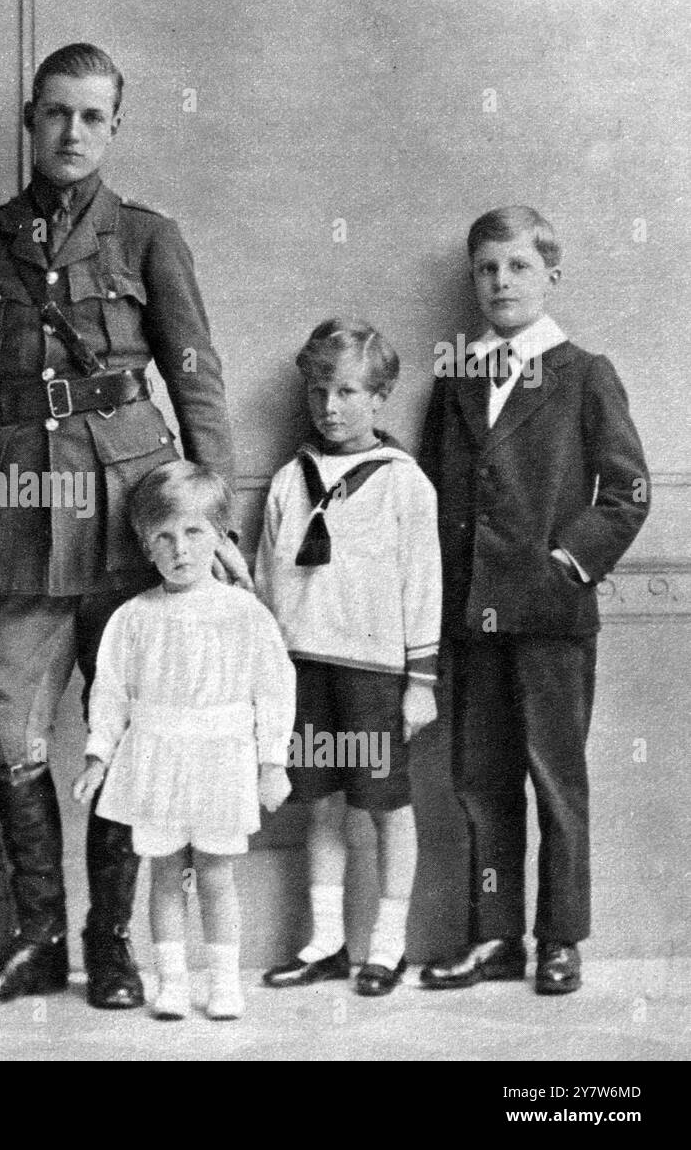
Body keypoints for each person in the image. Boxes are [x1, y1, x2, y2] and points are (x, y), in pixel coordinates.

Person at [0, 43, 247, 1010]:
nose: (72, 133)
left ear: (115, 128)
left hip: (132, 509)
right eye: (56, 114)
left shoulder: (150, 237)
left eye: (93, 117)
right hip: (18, 512)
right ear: (29, 120)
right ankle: (36, 938)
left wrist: (212, 512)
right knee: (9, 726)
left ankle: (110, 944)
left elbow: (195, 373)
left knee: (140, 721)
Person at [417, 207, 649, 995]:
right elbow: (432, 497)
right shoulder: (454, 379)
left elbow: (626, 492)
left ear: (552, 274)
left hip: (551, 616)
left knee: (555, 778)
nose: (500, 283)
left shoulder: (584, 372)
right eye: (486, 269)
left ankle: (560, 938)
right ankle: (493, 938)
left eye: (517, 267)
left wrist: (565, 565)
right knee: (480, 781)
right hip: (472, 615)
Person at [255, 319, 440, 997]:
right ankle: (328, 940)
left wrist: (419, 681)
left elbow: (424, 586)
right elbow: (266, 582)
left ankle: (387, 943)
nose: (330, 406)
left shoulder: (403, 484)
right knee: (322, 803)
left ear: (380, 396)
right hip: (305, 667)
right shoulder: (287, 480)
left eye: (348, 391)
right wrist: (266, 677)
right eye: (318, 391)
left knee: (387, 803)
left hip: (373, 672)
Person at [73, 462, 293, 1019]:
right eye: (164, 538)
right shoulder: (133, 617)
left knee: (215, 873)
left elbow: (272, 690)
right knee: (166, 871)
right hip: (157, 756)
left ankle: (223, 983)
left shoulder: (245, 614)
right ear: (147, 548)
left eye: (194, 533)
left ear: (220, 538)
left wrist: (272, 762)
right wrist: (99, 757)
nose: (180, 549)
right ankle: (170, 982)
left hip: (220, 755)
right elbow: (112, 692)